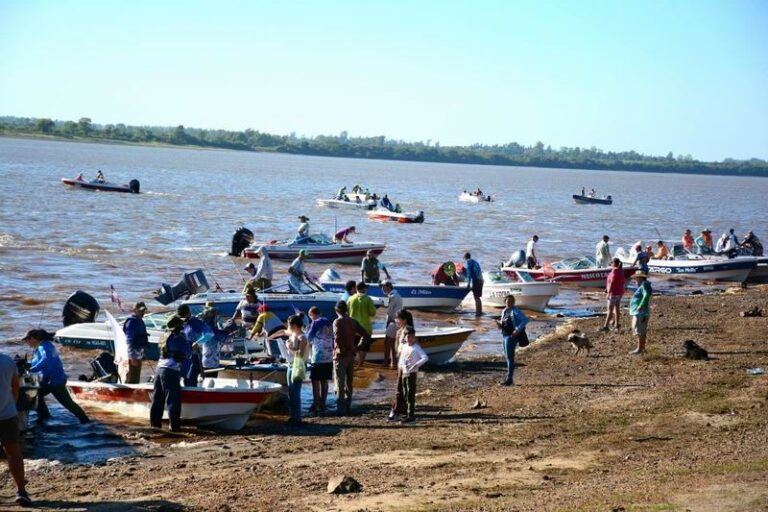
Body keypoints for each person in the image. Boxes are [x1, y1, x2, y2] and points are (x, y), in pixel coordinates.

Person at [24, 329, 90, 424]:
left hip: (54, 381)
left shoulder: (43, 346)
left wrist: (33, 369)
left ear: (33, 339)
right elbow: (38, 361)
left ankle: (86, 421)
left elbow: (46, 359)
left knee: (68, 404)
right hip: (52, 379)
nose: (26, 342)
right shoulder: (45, 345)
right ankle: (44, 416)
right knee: (35, 394)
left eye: (27, 340)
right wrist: (27, 364)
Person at [0, 352, 32, 506]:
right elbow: (16, 385)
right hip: (7, 413)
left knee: (13, 452)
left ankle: (21, 491)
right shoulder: (8, 360)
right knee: (14, 452)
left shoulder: (7, 361)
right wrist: (12, 403)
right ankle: (21, 491)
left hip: (7, 414)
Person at [150, 315, 186, 431]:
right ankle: (174, 428)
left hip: (159, 370)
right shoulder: (178, 338)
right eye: (181, 324)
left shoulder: (163, 336)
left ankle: (155, 426)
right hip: (170, 371)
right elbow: (187, 352)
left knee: (157, 400)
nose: (183, 326)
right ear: (177, 326)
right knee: (173, 401)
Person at [274, 314, 308, 425]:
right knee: (291, 391)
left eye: (289, 324)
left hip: (298, 365)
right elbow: (283, 332)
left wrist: (289, 347)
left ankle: (297, 417)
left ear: (294, 325)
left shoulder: (302, 337)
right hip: (290, 365)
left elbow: (300, 355)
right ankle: (293, 416)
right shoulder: (293, 334)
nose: (288, 326)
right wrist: (270, 337)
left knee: (295, 392)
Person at [332, 301, 365, 416]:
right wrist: (357, 347)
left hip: (340, 356)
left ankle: (340, 408)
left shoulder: (337, 322)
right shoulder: (353, 321)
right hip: (351, 355)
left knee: (339, 382)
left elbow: (337, 338)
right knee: (349, 382)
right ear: (346, 310)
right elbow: (365, 334)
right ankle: (348, 405)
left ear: (336, 311)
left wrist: (341, 350)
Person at [396, 326, 429, 424]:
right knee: (405, 394)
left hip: (412, 374)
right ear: (405, 337)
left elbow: (425, 357)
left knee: (410, 395)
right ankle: (406, 413)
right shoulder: (405, 346)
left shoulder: (416, 347)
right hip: (404, 373)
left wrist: (416, 365)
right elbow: (402, 358)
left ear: (414, 337)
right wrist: (400, 366)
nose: (409, 338)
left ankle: (411, 416)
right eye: (407, 336)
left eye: (411, 337)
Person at [388, 308, 414, 421]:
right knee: (402, 386)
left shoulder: (407, 331)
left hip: (406, 363)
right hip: (401, 362)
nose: (395, 321)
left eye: (397, 319)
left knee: (400, 387)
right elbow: (397, 348)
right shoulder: (400, 331)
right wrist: (393, 360)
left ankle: (396, 410)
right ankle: (402, 408)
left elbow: (407, 347)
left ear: (404, 320)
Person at [495, 295, 528, 386]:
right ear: (505, 302)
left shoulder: (515, 310)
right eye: (508, 301)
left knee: (510, 358)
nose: (509, 303)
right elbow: (504, 323)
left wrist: (517, 330)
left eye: (511, 301)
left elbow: (525, 320)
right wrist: (499, 325)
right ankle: (509, 379)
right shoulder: (504, 311)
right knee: (507, 357)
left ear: (514, 302)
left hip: (511, 337)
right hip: (504, 335)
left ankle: (509, 380)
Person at [307, 306, 333, 415]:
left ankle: (316, 404)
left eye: (310, 316)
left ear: (312, 314)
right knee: (324, 381)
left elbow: (308, 338)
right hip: (329, 355)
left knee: (315, 381)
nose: (310, 318)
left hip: (318, 356)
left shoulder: (315, 323)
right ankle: (323, 403)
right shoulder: (328, 322)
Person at [177, 304, 214, 384]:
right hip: (182, 357)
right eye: (180, 317)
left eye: (184, 316)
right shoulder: (179, 322)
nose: (182, 319)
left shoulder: (196, 322)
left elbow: (210, 333)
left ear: (188, 313)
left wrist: (198, 342)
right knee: (181, 380)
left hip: (194, 356)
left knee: (190, 380)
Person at [347, 281, 377, 366]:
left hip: (353, 327)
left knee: (353, 345)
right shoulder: (368, 299)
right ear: (364, 289)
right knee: (364, 348)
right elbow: (372, 313)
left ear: (356, 289)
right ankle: (360, 364)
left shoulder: (350, 299)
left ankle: (351, 365)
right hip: (365, 327)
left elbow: (347, 312)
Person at [123, 302, 149, 384]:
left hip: (139, 355)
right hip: (132, 357)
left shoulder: (140, 321)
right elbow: (128, 341)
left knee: (136, 380)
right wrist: (132, 357)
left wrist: (142, 353)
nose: (143, 312)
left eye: (144, 310)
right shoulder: (131, 322)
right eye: (141, 310)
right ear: (134, 310)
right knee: (131, 379)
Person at [629, 272, 652, 355]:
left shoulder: (644, 285)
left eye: (636, 278)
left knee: (639, 330)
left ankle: (639, 349)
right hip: (642, 312)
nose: (635, 279)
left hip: (641, 312)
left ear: (640, 278)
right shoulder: (644, 285)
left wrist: (641, 305)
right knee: (641, 330)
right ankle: (642, 348)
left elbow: (647, 295)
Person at [381, 280, 402, 367]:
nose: (382, 289)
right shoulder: (397, 295)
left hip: (392, 322)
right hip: (398, 322)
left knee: (387, 343)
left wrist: (387, 323)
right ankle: (393, 363)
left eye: (383, 287)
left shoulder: (392, 296)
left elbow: (389, 312)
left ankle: (386, 363)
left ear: (389, 287)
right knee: (393, 344)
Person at [601, 258, 625, 332]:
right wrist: (607, 289)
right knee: (616, 308)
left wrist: (609, 293)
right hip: (619, 292)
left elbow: (612, 282)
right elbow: (621, 282)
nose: (610, 264)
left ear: (614, 263)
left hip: (613, 293)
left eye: (611, 262)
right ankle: (616, 325)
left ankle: (606, 326)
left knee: (610, 310)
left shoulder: (614, 271)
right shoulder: (621, 271)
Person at [462, 252, 484, 316]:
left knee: (476, 297)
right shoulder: (475, 262)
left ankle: (478, 313)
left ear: (465, 257)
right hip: (481, 280)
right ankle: (479, 312)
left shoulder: (468, 262)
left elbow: (469, 273)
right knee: (478, 297)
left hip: (476, 280)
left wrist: (468, 284)